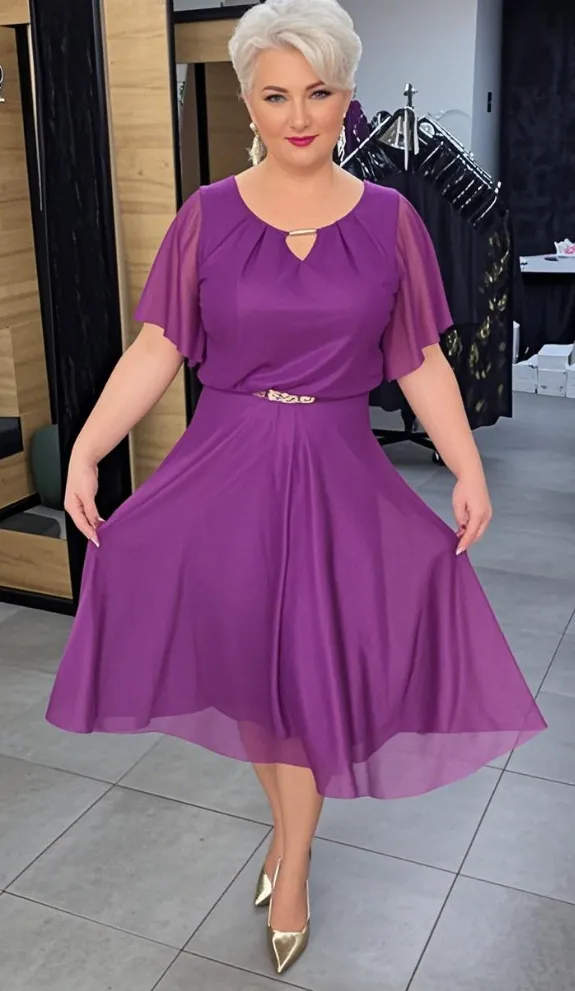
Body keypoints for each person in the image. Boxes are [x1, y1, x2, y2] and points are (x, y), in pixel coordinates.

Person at [46, 0, 546, 976]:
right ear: (247, 100)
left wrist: (465, 462)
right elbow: (157, 346)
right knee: (258, 674)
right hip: (223, 470)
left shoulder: (393, 219)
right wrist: (87, 448)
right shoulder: (206, 215)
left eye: (317, 91)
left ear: (346, 94)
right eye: (275, 94)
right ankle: (286, 834)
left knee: (310, 677)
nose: (298, 114)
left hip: (334, 473)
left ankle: (293, 861)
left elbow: (418, 358)